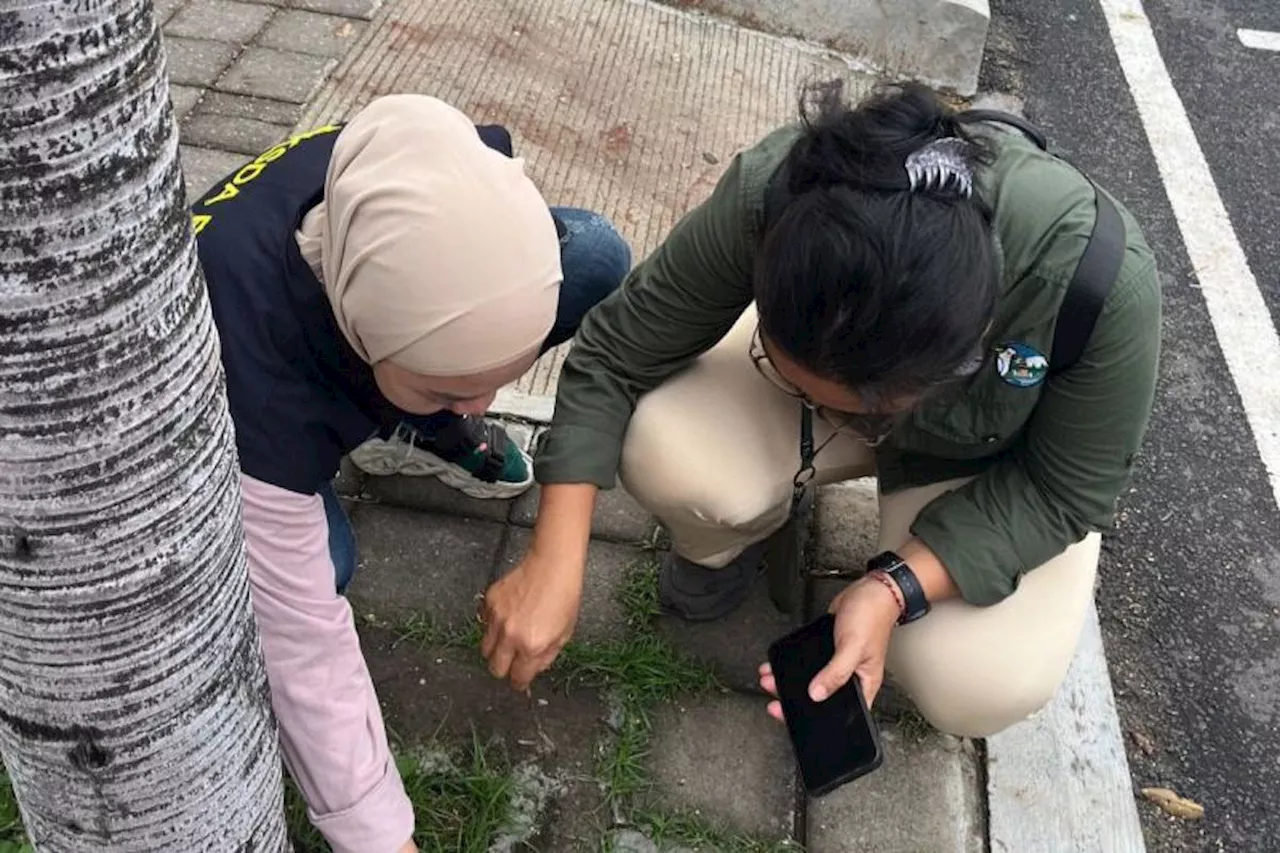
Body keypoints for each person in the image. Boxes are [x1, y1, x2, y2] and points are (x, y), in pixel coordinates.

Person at [480, 81, 1160, 740]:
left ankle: (879, 551)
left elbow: (1064, 490)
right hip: (858, 384)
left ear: (963, 358)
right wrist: (556, 555)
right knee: (670, 454)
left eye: (870, 405)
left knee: (978, 680)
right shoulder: (778, 188)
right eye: (792, 370)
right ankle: (738, 535)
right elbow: (615, 349)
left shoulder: (1100, 281)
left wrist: (896, 587)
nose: (852, 419)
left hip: (974, 453)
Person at [190, 94, 630, 853]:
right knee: (322, 565)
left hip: (357, 331)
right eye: (452, 392)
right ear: (359, 340)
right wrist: (380, 834)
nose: (488, 405)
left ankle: (411, 413)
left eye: (497, 381)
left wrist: (441, 378)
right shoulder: (254, 393)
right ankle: (396, 416)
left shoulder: (411, 161)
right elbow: (307, 652)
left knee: (589, 253)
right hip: (237, 417)